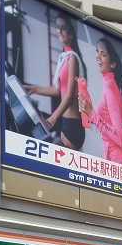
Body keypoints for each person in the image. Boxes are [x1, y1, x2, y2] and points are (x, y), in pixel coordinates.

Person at [24, 13, 87, 150]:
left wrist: (53, 118)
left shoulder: (73, 59)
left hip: (73, 125)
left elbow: (69, 96)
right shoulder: (64, 58)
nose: (59, 31)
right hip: (66, 121)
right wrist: (34, 89)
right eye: (58, 27)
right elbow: (58, 90)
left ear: (71, 33)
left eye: (63, 28)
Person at [78, 37, 122, 166]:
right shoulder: (113, 88)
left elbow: (119, 139)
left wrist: (92, 114)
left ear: (112, 64)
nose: (98, 56)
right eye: (97, 51)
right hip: (118, 161)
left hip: (118, 162)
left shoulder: (110, 90)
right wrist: (112, 135)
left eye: (103, 54)